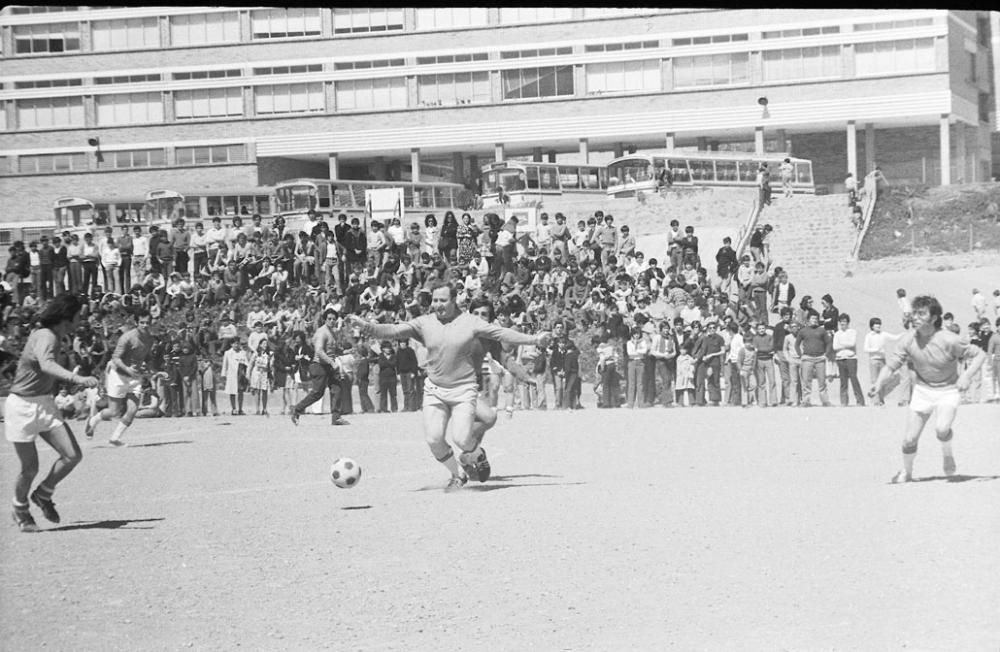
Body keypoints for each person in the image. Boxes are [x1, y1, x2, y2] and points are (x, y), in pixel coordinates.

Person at [348, 282, 550, 490]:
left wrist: (534, 340)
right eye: (435, 300)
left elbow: (502, 334)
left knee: (463, 438)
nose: (438, 304)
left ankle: (477, 455)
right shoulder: (424, 323)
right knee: (434, 439)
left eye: (443, 300)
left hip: (464, 389)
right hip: (435, 389)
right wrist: (366, 326)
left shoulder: (471, 322)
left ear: (454, 301)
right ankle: (457, 475)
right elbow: (393, 330)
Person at [6, 294, 100, 532]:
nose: (80, 321)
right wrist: (78, 378)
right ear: (66, 317)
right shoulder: (45, 336)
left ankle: (43, 494)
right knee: (29, 468)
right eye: (78, 316)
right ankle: (20, 510)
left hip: (44, 403)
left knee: (72, 455)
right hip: (22, 407)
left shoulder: (57, 335)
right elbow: (46, 364)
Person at [871, 295, 987, 483]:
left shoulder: (949, 339)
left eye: (921, 314)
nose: (915, 317)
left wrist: (966, 376)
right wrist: (878, 385)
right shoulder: (907, 340)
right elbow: (891, 366)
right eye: (914, 313)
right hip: (923, 391)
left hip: (948, 390)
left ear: (933, 318)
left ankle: (947, 452)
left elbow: (980, 354)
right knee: (909, 440)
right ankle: (907, 472)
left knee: (942, 429)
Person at [85, 311, 155, 446]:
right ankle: (93, 420)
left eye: (147, 322)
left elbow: (148, 357)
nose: (145, 325)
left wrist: (153, 370)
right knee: (113, 411)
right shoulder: (127, 338)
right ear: (136, 322)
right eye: (142, 322)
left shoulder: (150, 339)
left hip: (135, 378)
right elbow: (115, 358)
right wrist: (127, 369)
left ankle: (114, 439)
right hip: (119, 376)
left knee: (133, 409)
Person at [290, 308, 350, 426]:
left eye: (334, 319)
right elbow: (319, 351)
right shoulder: (322, 332)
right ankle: (297, 409)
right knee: (317, 393)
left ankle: (336, 417)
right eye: (329, 319)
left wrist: (343, 351)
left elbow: (332, 349)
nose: (332, 321)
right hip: (319, 365)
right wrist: (332, 363)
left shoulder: (332, 332)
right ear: (325, 319)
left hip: (328, 365)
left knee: (337, 388)